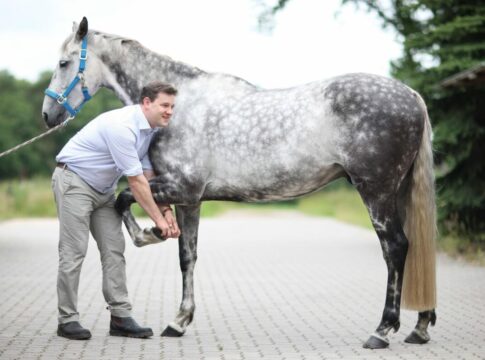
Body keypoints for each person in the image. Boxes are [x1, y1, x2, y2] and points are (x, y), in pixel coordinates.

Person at [52, 81, 181, 340]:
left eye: (172, 106)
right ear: (146, 103)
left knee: (114, 251)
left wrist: (167, 213)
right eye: (164, 105)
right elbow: (135, 181)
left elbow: (148, 175)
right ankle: (67, 320)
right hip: (75, 181)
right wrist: (158, 220)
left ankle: (120, 318)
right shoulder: (122, 126)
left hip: (103, 190)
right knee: (74, 251)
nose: (169, 111)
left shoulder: (150, 130)